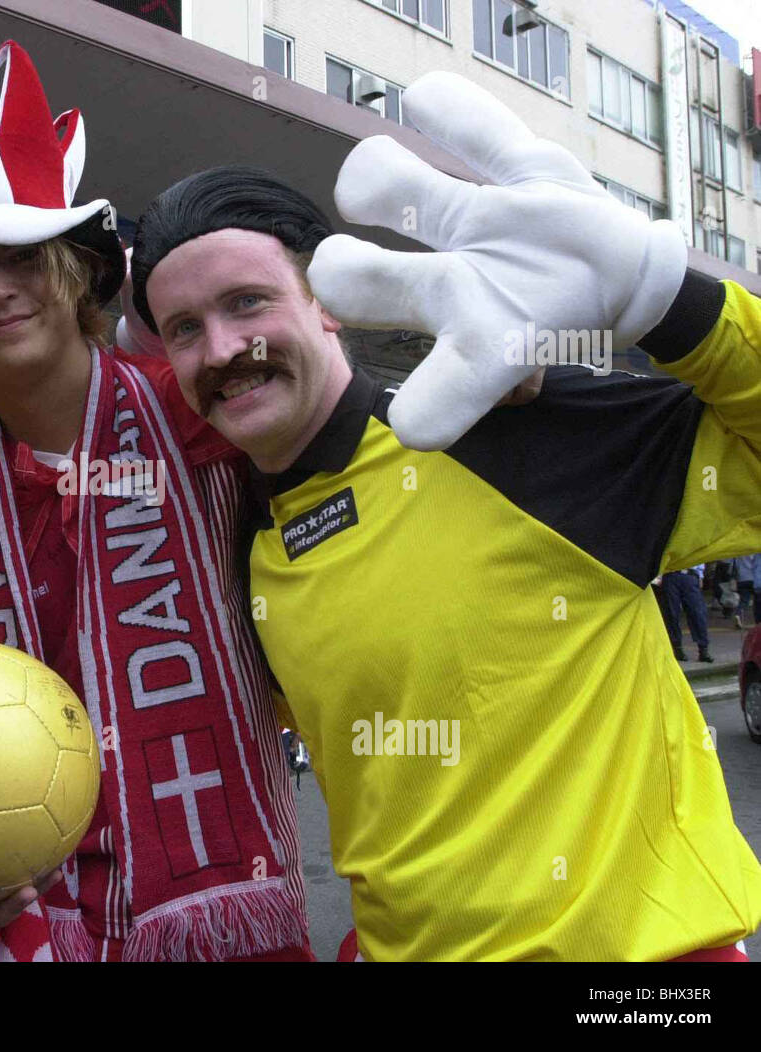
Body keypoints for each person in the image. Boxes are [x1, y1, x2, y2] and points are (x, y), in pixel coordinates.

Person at [130, 72, 761, 960]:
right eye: (184, 328)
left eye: (247, 303)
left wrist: (666, 299)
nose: (223, 349)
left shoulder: (510, 430)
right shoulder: (242, 534)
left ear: (328, 301)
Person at [0, 40, 309, 961]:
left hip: (225, 921)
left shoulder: (205, 414)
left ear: (80, 273)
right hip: (26, 926)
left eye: (24, 257)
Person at [662, 565, 713, 662]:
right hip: (670, 573)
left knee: (697, 612)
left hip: (690, 574)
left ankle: (703, 649)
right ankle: (677, 648)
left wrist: (700, 575)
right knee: (672, 614)